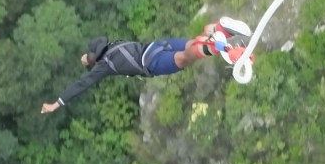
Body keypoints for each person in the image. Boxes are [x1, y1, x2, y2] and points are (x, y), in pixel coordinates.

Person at [40, 17, 253, 114]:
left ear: (95, 60)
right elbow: (96, 45)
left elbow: (81, 84)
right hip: (155, 45)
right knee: (190, 44)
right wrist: (88, 56)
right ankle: (217, 29)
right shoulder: (113, 44)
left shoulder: (104, 65)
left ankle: (221, 48)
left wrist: (56, 104)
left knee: (185, 59)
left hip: (150, 62)